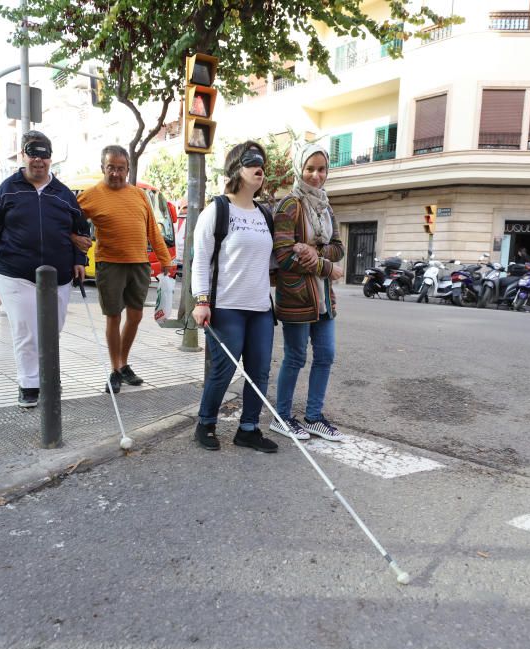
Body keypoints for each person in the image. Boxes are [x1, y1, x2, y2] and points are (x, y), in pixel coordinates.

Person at [0, 131, 88, 408]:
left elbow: (80, 230)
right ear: (23, 156)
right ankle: (29, 384)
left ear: (51, 158)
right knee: (25, 331)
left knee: (51, 330)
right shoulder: (7, 189)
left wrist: (78, 260)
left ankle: (49, 377)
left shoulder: (62, 193)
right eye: (33, 153)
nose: (39, 160)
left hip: (58, 275)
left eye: (44, 154)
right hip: (14, 272)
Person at [189, 141, 277, 453]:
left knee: (260, 370)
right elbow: (200, 260)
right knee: (224, 370)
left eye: (262, 162)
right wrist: (201, 302)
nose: (260, 168)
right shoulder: (217, 210)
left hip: (261, 308)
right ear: (235, 169)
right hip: (226, 307)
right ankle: (206, 423)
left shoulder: (265, 214)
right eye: (252, 160)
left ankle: (249, 429)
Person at [77, 145, 172, 394]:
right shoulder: (91, 195)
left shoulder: (140, 195)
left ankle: (124, 363)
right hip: (110, 265)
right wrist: (74, 241)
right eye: (111, 168)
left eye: (121, 168)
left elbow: (153, 230)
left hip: (139, 264)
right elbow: (70, 221)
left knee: (136, 317)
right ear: (103, 168)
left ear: (128, 169)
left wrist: (166, 261)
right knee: (113, 317)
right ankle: (115, 369)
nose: (116, 173)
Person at [271, 143, 346, 442]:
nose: (316, 175)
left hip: (324, 299)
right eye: (310, 169)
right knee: (295, 357)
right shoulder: (290, 205)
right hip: (297, 297)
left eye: (322, 169)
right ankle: (282, 416)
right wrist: (325, 268)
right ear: (299, 170)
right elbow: (284, 256)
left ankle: (314, 417)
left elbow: (338, 249)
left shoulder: (326, 207)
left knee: (326, 355)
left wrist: (314, 251)